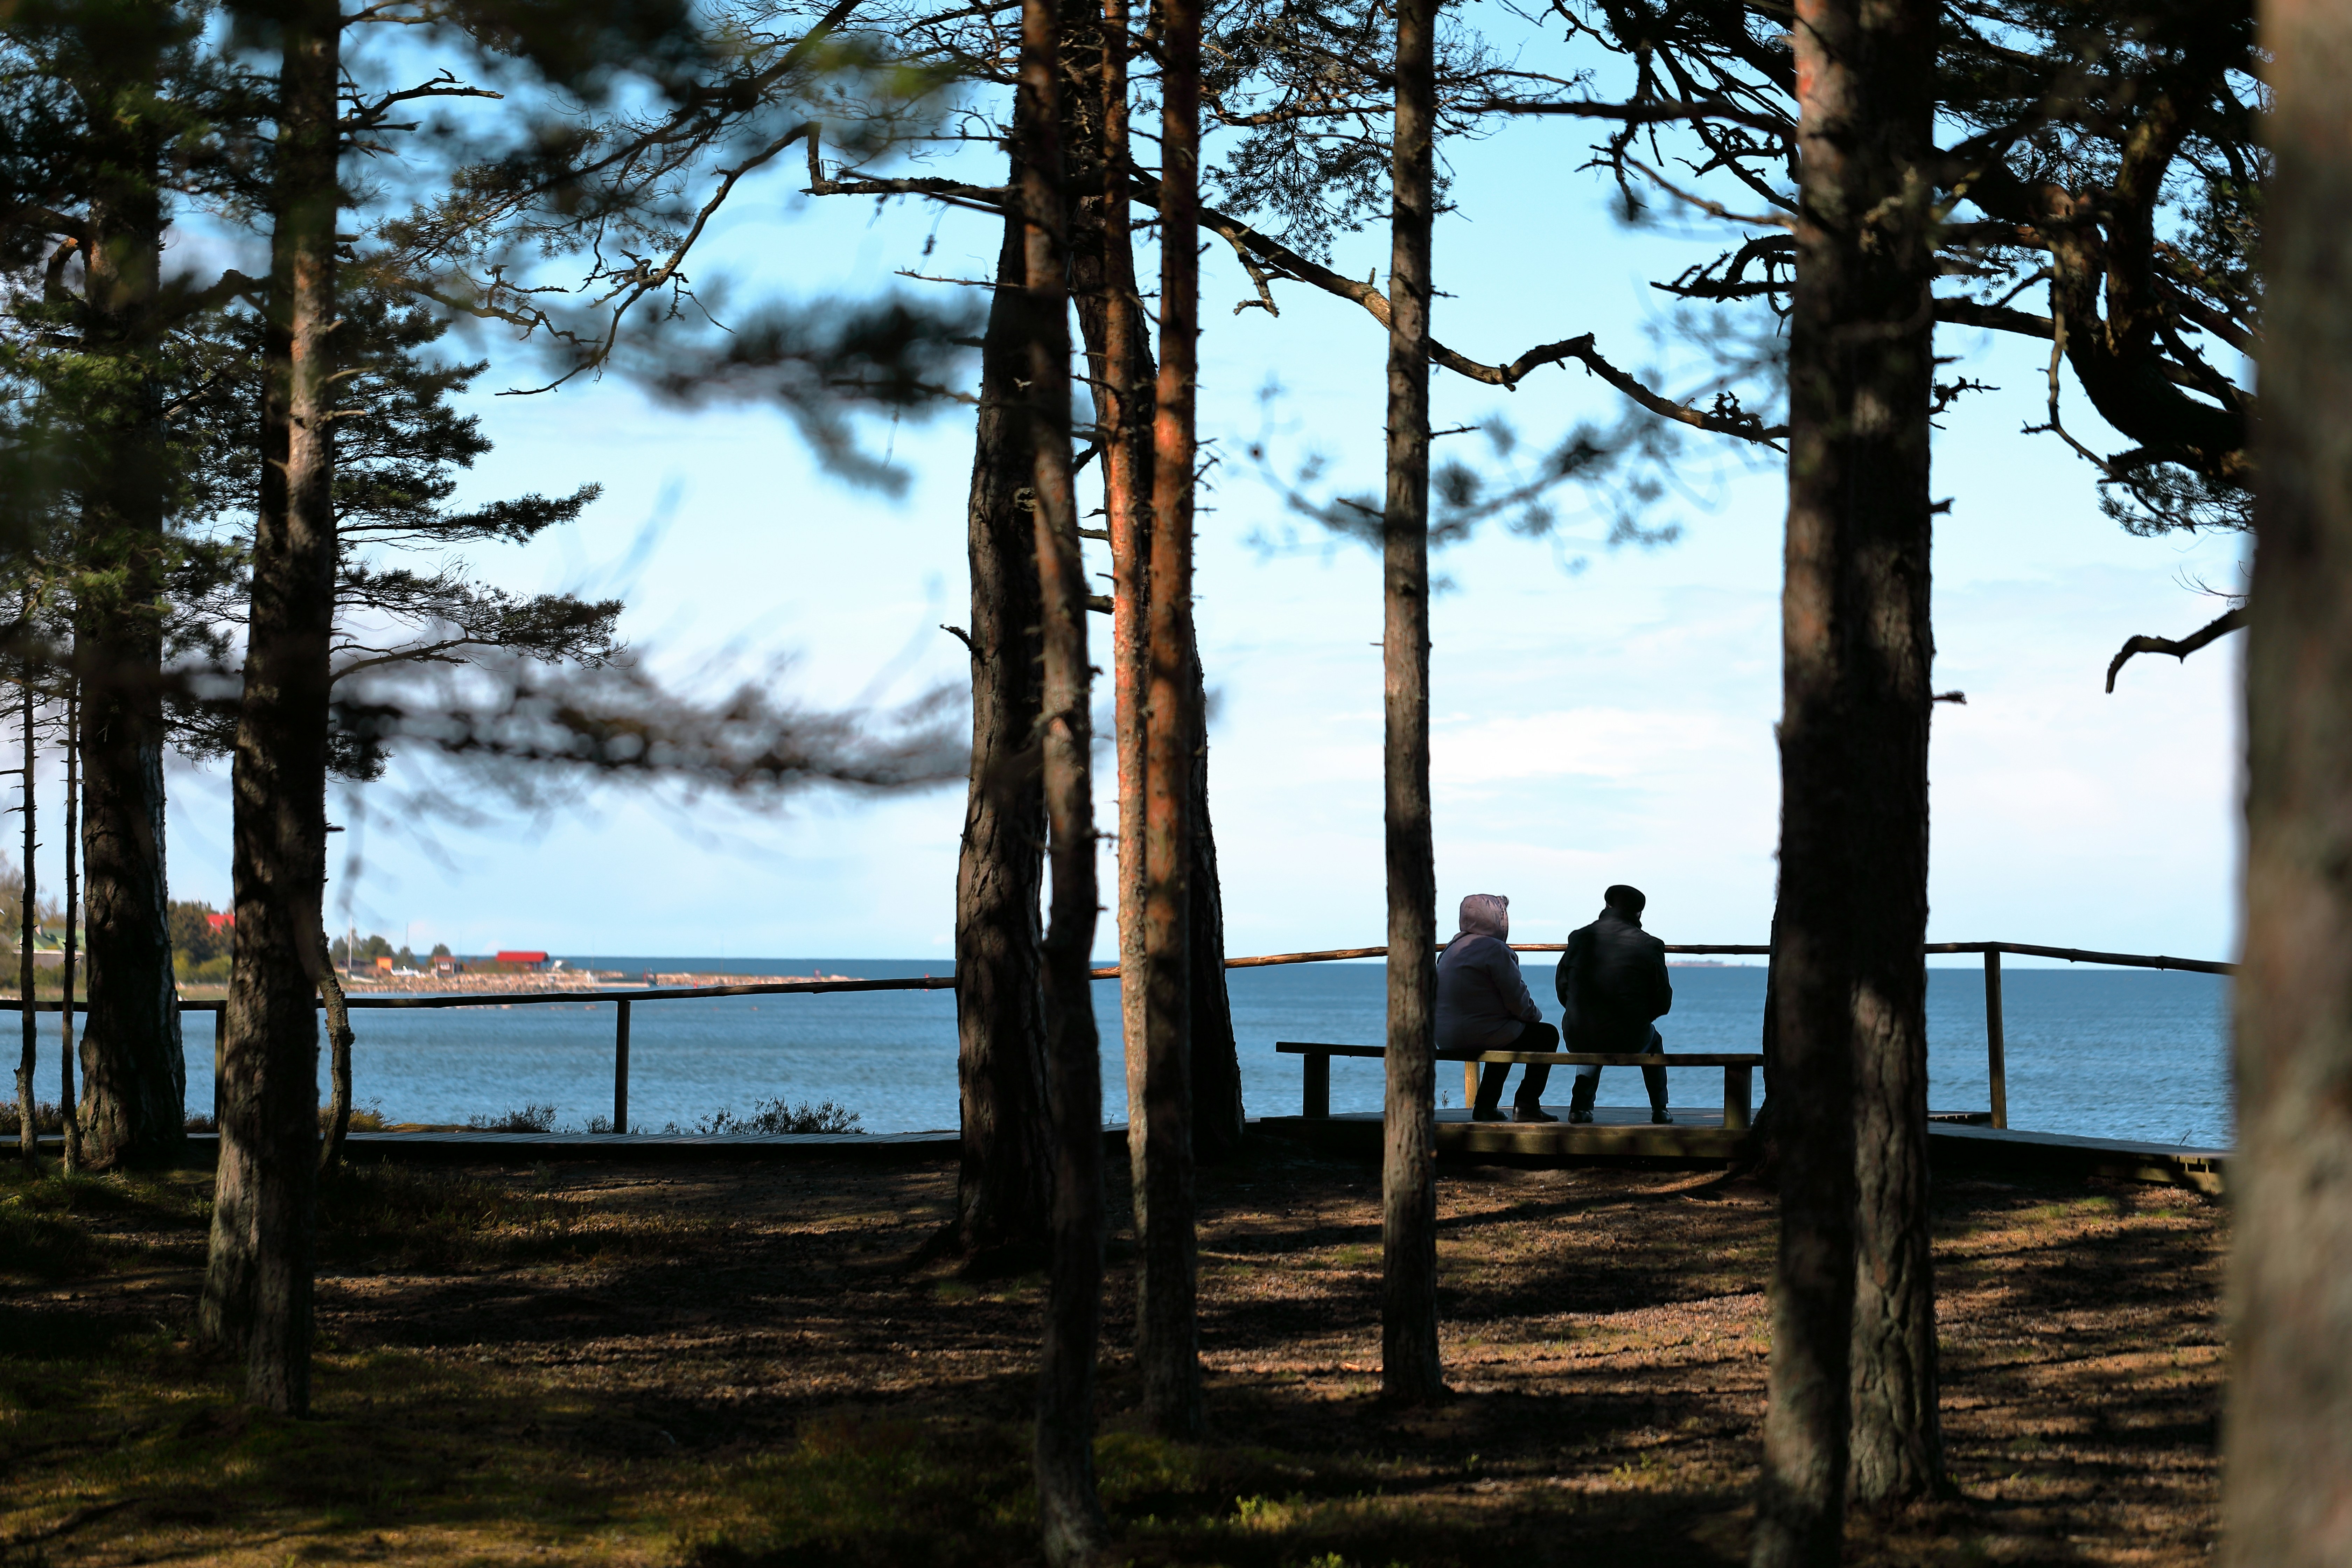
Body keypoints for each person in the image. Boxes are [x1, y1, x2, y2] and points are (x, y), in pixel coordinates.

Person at [1436, 893, 1560, 1122]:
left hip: (1445, 1036)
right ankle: (1527, 1104)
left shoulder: (1450, 949)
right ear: (1498, 919)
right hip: (1479, 1033)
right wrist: (1535, 1016)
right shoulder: (1495, 950)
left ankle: (1485, 1106)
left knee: (1504, 1034)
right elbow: (1517, 999)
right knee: (1547, 1035)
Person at [1556, 884, 1673, 1125]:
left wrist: (1578, 1011)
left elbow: (1562, 987)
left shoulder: (1579, 938)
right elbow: (1663, 1001)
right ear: (1638, 914)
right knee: (1654, 1041)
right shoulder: (1651, 945)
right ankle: (1660, 1109)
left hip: (1578, 1034)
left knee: (1590, 1037)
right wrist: (1641, 1016)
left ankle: (1580, 1107)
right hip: (1631, 1037)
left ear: (1607, 906)